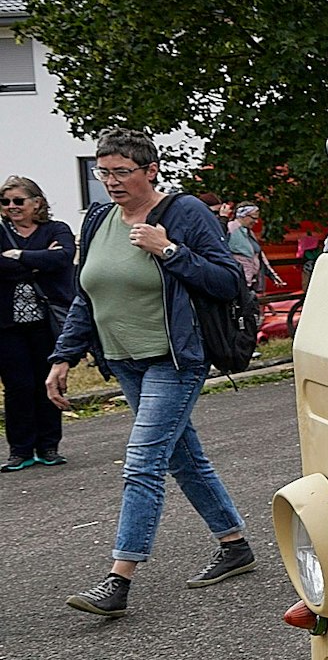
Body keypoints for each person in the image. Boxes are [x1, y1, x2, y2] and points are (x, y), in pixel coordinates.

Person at [47, 128, 255, 618]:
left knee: (143, 462)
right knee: (183, 457)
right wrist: (62, 357)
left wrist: (170, 251)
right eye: (104, 172)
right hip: (123, 359)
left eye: (122, 171)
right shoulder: (99, 218)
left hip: (174, 359)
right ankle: (235, 544)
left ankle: (118, 581)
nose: (112, 181)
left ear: (151, 170)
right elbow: (87, 294)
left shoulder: (184, 214)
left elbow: (227, 280)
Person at [0, 176, 76, 472]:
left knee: (50, 382)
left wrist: (18, 256)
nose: (11, 207)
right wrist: (40, 260)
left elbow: (64, 258)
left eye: (18, 201)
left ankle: (48, 445)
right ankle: (19, 449)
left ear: (37, 202)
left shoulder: (56, 229)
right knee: (18, 386)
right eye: (5, 202)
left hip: (48, 321)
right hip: (7, 325)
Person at [228, 203, 265, 287]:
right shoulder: (230, 229)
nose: (256, 221)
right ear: (243, 215)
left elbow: (259, 255)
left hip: (249, 281)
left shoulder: (249, 232)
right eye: (253, 218)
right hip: (237, 281)